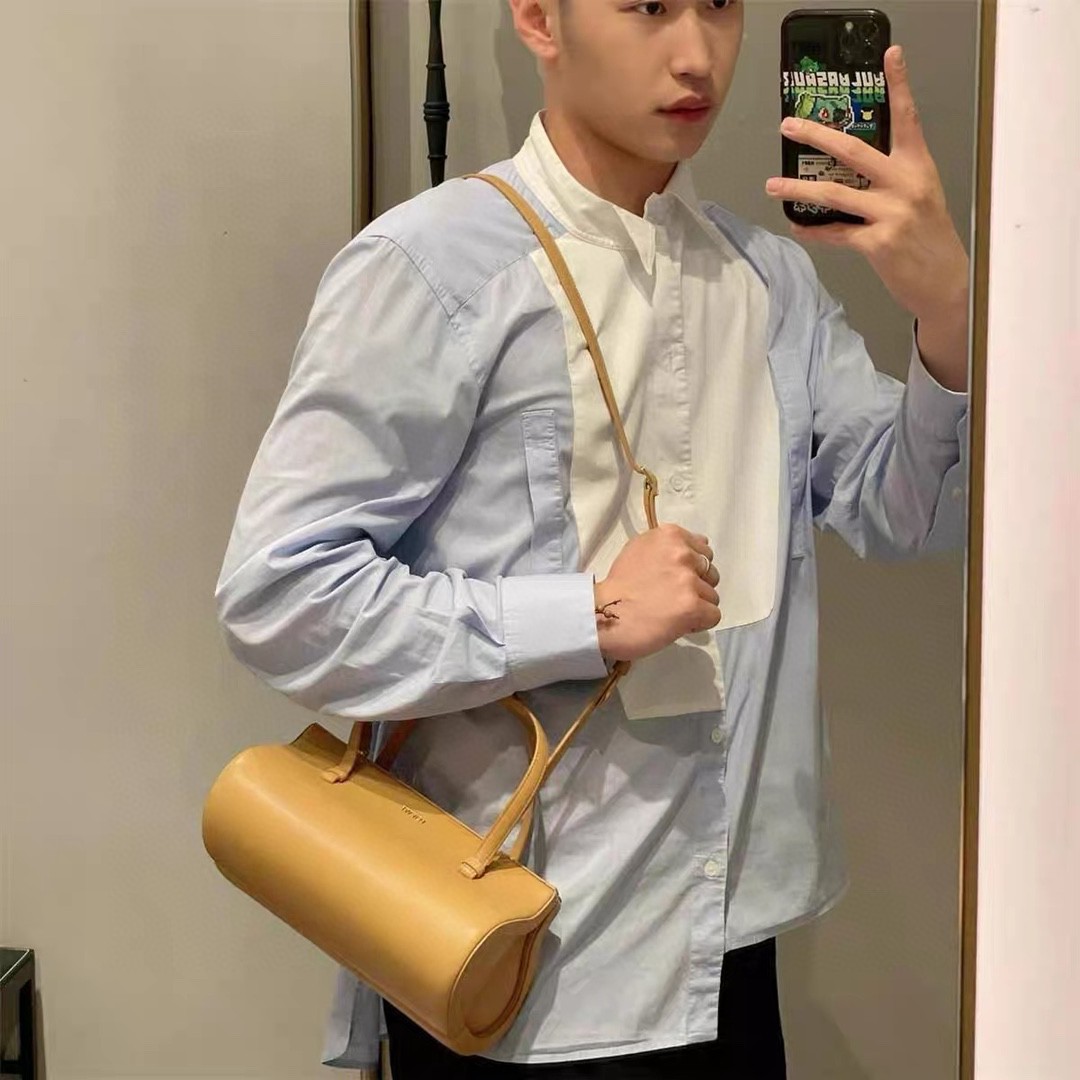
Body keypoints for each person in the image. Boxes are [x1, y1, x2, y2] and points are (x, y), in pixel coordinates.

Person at [214, 1, 970, 1076]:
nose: (696, 53)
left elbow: (912, 513)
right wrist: (591, 615)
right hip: (510, 954)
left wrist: (950, 311)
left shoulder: (770, 283)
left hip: (728, 941)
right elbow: (281, 597)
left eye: (719, 4)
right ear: (538, 16)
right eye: (648, 6)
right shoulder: (433, 269)